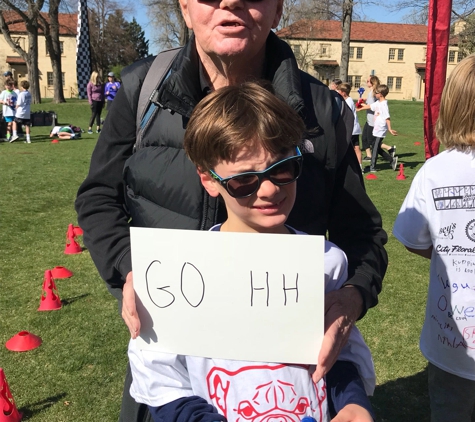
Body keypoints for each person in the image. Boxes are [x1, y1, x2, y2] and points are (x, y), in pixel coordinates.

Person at [75, 0, 388, 419]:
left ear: (277, 10)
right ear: (185, 7)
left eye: (283, 168)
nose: (231, 2)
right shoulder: (142, 88)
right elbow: (98, 198)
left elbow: (362, 233)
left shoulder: (324, 109)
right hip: (175, 377)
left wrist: (351, 298)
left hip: (292, 381)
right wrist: (138, 271)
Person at [129, 81, 376, 422]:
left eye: (283, 168)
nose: (271, 189)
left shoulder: (324, 262)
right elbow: (163, 382)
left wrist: (351, 403)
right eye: (245, 179)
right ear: (209, 180)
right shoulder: (176, 272)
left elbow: (339, 353)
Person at [393, 54, 475, 422]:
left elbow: (412, 237)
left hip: (451, 343)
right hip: (452, 343)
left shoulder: (435, 172)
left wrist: (449, 252)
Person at [358, 84, 398, 172]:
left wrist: (390, 129)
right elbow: (370, 106)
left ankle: (372, 167)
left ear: (380, 94)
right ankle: (391, 160)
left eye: (376, 93)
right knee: (375, 146)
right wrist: (360, 108)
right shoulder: (378, 103)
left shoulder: (384, 105)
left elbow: (387, 117)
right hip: (376, 128)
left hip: (381, 129)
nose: (375, 94)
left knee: (375, 147)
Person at [337, 82, 362, 168]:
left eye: (339, 91)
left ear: (343, 92)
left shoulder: (347, 102)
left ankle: (352, 166)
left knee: (348, 148)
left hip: (350, 129)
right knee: (356, 147)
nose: (338, 93)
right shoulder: (350, 100)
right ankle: (359, 166)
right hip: (355, 129)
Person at [0, 78, 18, 143]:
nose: (8, 87)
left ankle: (14, 135)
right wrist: (4, 102)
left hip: (14, 111)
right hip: (7, 112)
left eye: (9, 85)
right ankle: (9, 136)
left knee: (13, 122)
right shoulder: (4, 92)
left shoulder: (14, 93)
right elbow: (0, 100)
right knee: (10, 123)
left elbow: (17, 101)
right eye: (7, 85)